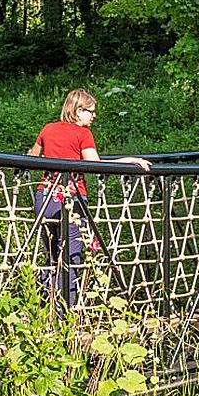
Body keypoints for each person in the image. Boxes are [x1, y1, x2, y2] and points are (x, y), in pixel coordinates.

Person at [26, 88, 151, 305]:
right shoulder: (83, 134)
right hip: (70, 199)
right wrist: (129, 160)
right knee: (71, 258)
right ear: (79, 110)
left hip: (44, 197)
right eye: (91, 112)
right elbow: (94, 164)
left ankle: (45, 308)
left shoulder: (48, 128)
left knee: (52, 256)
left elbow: (32, 156)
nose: (94, 116)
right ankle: (65, 315)